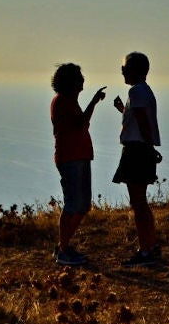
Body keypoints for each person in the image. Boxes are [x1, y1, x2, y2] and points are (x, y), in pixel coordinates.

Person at [50, 63, 106, 265]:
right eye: (79, 77)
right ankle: (63, 250)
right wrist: (93, 102)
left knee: (82, 205)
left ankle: (63, 245)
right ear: (70, 82)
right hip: (71, 158)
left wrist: (91, 103)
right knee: (74, 205)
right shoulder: (62, 102)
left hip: (79, 157)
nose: (82, 80)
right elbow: (81, 124)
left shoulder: (69, 102)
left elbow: (81, 123)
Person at [112, 52, 161, 267]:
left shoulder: (136, 91)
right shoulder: (143, 91)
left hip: (136, 150)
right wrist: (123, 109)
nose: (122, 71)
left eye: (124, 68)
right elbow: (139, 118)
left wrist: (149, 148)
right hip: (141, 149)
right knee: (141, 202)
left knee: (138, 202)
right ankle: (150, 245)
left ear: (133, 70)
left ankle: (145, 251)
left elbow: (142, 123)